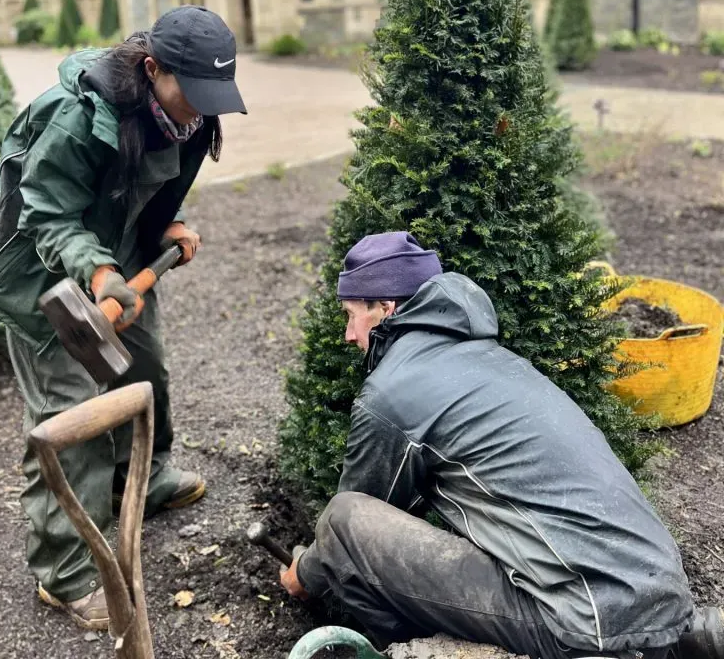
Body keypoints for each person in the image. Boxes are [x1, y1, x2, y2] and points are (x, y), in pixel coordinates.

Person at [280, 232, 724, 659]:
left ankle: (410, 650)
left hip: (582, 624)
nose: (348, 335)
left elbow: (358, 520)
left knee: (342, 521)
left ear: (386, 308)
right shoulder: (494, 362)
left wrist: (305, 571)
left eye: (350, 315)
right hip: (656, 598)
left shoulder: (394, 392)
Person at [0, 5, 246, 632]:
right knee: (73, 410)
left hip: (113, 247)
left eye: (213, 94)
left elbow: (151, 189)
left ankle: (139, 480)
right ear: (152, 69)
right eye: (192, 92)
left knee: (146, 366)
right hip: (34, 261)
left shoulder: (192, 117)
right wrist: (96, 274)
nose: (202, 109)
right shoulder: (77, 115)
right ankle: (62, 575)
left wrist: (162, 227)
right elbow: (48, 213)